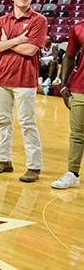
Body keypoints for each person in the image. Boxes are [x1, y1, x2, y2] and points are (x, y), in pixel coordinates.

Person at [0, 0, 47, 182]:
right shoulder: (2, 20)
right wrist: (17, 40)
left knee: (27, 123)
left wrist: (6, 42)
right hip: (1, 78)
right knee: (3, 121)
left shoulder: (39, 20)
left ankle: (34, 166)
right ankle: (4, 160)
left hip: (25, 79)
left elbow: (30, 50)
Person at [51, 19, 84, 189]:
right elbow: (70, 56)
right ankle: (73, 173)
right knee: (77, 135)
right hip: (80, 88)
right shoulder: (79, 27)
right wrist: (64, 84)